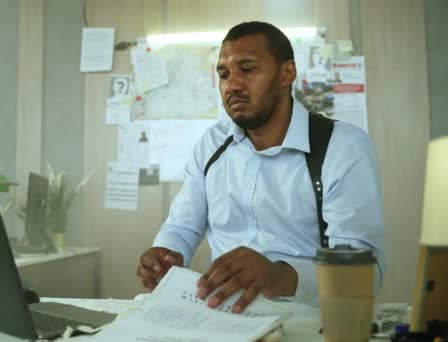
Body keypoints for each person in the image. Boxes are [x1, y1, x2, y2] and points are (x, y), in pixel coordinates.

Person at [136, 21, 386, 313]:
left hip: (306, 321)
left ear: (287, 73)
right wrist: (166, 254)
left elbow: (366, 273)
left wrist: (278, 275)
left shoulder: (342, 147)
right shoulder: (212, 144)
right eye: (223, 74)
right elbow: (182, 225)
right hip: (218, 315)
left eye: (248, 68)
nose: (232, 84)